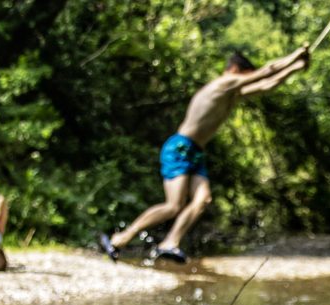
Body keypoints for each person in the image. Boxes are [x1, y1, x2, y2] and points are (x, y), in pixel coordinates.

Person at [101, 46, 310, 263]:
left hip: (196, 152)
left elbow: (268, 85)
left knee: (203, 199)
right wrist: (296, 55)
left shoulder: (232, 94)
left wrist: (296, 68)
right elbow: (268, 70)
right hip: (180, 148)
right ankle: (120, 239)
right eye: (248, 75)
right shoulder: (223, 84)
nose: (249, 80)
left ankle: (170, 243)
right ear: (236, 70)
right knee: (173, 206)